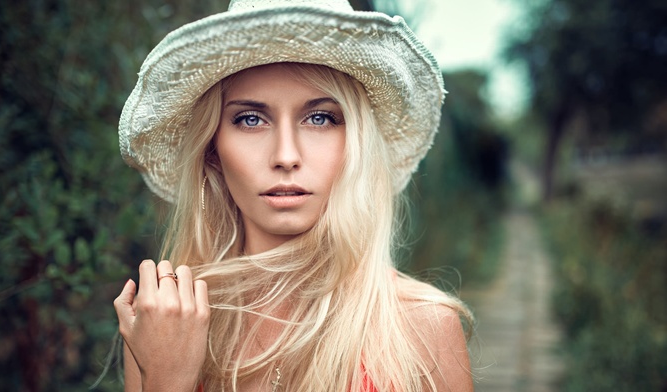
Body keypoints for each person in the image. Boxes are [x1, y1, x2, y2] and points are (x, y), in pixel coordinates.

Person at [113, 0, 474, 390]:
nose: (286, 156)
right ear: (212, 152)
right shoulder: (164, 322)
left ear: (356, 144)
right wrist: (168, 379)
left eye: (320, 118)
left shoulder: (424, 325)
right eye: (251, 119)